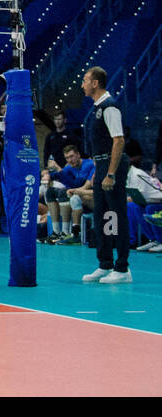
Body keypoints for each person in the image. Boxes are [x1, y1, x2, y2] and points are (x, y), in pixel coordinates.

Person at [80, 67, 131, 284]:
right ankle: (105, 264)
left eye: (85, 80)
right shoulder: (96, 108)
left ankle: (122, 268)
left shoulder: (110, 108)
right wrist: (97, 172)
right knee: (101, 216)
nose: (82, 84)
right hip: (100, 166)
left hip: (112, 167)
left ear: (95, 83)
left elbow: (118, 141)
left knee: (115, 216)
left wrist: (110, 173)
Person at [43, 143, 94, 244]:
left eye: (72, 156)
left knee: (67, 194)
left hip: (91, 197)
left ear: (78, 155)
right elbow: (59, 175)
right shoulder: (70, 167)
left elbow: (78, 184)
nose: (70, 160)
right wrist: (47, 175)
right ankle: (56, 232)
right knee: (50, 192)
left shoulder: (89, 164)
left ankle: (68, 232)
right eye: (67, 158)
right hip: (77, 196)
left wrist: (59, 169)